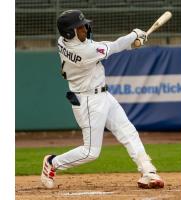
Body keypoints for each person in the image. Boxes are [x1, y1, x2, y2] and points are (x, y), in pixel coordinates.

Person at [41, 10, 164, 189]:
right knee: (91, 152)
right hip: (89, 101)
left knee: (128, 131)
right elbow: (112, 47)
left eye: (83, 25)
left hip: (102, 95)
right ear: (70, 32)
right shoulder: (82, 51)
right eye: (79, 27)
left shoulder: (64, 41)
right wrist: (135, 35)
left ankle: (148, 171)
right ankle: (53, 162)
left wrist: (132, 44)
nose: (84, 29)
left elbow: (104, 46)